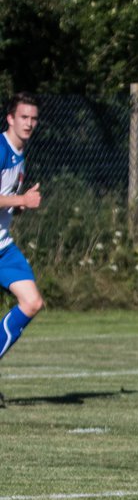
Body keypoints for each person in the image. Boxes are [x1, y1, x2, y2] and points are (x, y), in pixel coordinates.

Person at [0, 92, 45, 397]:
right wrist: (22, 199)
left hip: (3, 247)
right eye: (24, 117)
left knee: (32, 302)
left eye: (33, 118)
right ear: (10, 119)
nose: (29, 123)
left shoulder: (20, 153)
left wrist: (19, 205)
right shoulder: (1, 148)